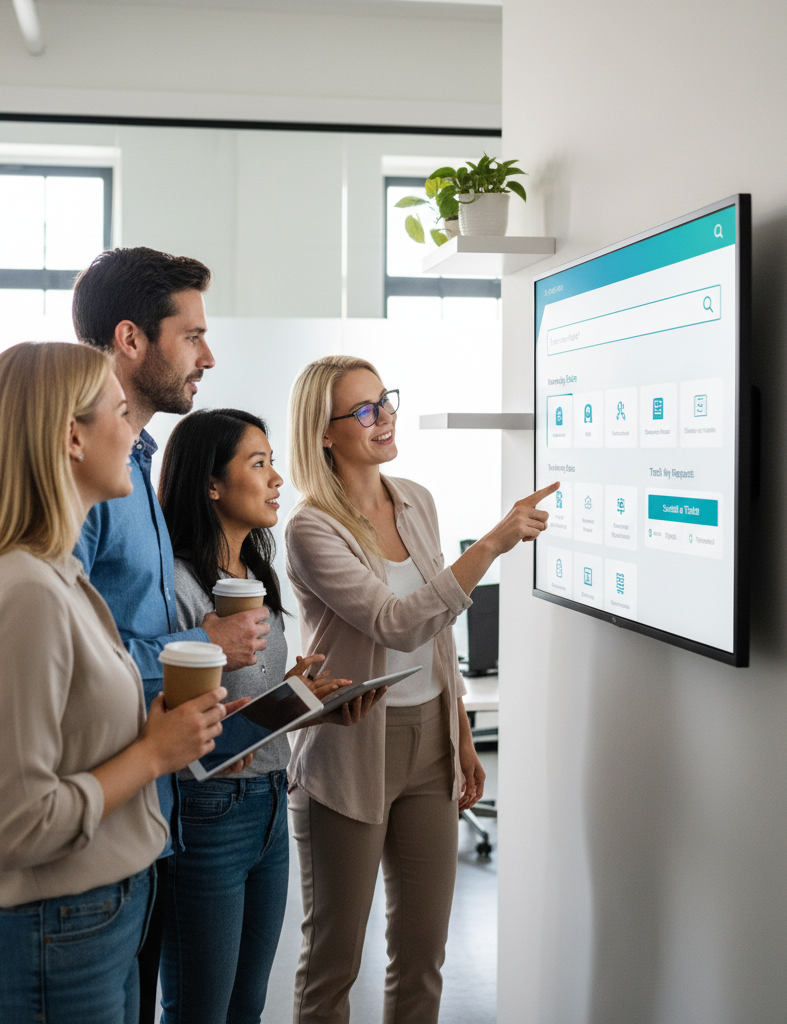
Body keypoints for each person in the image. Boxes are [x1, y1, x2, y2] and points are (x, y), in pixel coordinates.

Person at [0, 342, 233, 1023]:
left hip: (85, 927)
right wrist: (153, 754)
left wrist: (165, 731)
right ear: (73, 436)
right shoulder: (25, 593)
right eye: (120, 413)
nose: (135, 435)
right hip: (50, 939)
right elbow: (18, 826)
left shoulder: (57, 578)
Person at [284, 355, 558, 1023]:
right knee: (332, 965)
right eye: (365, 410)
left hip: (430, 742)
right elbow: (396, 621)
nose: (385, 418)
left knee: (422, 957)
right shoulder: (311, 527)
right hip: (350, 749)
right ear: (324, 433)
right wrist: (490, 545)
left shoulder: (416, 499)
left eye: (386, 401)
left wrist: (460, 735)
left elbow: (438, 634)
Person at [71, 247, 269, 1022]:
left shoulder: (137, 466)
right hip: (97, 822)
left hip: (148, 812)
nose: (207, 357)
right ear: (130, 339)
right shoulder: (86, 475)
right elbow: (68, 657)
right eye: (192, 336)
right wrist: (204, 645)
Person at [155, 408, 378, 1024]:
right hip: (206, 811)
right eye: (259, 464)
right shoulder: (177, 584)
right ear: (211, 484)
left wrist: (303, 702)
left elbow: (245, 706)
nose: (277, 479)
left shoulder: (254, 575)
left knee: (246, 1008)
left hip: (269, 802)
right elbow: (176, 716)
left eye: (273, 462)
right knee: (200, 1011)